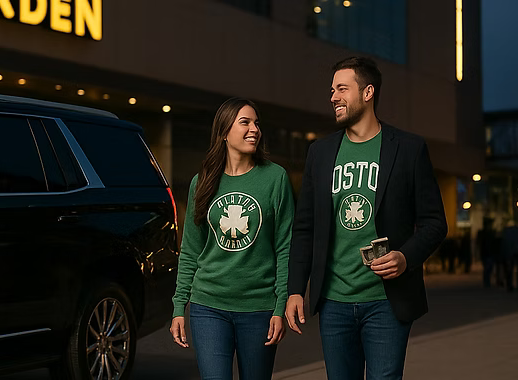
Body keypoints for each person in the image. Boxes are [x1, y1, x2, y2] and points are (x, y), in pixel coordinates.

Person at [285, 57, 447, 379]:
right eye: (332, 90)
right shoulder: (320, 153)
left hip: (387, 301)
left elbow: (434, 223)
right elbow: (305, 228)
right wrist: (294, 289)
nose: (333, 97)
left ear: (368, 92)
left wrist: (405, 257)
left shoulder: (408, 149)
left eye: (342, 88)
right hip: (333, 302)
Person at [170, 98, 294, 380]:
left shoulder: (275, 178)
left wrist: (280, 305)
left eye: (257, 123)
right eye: (245, 122)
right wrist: (179, 306)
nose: (254, 129)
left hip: (259, 308)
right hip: (208, 307)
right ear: (224, 131)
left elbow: (285, 247)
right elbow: (190, 250)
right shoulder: (202, 181)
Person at [499, 221, 518, 292]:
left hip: (510, 253)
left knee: (510, 269)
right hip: (517, 252)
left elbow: (504, 243)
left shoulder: (506, 232)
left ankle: (510, 284)